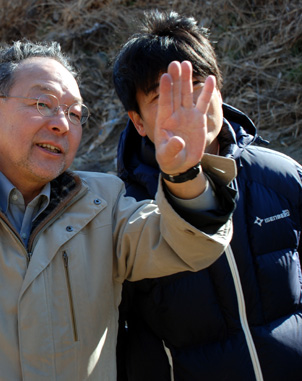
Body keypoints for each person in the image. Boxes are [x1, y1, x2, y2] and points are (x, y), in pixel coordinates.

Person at [0, 40, 237, 380]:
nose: (61, 124)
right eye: (43, 104)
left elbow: (187, 245)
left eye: (75, 114)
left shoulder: (104, 204)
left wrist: (184, 174)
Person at [113, 10, 302, 381]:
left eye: (197, 83)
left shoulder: (280, 176)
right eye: (163, 96)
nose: (187, 104)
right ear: (138, 121)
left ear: (218, 87)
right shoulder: (124, 209)